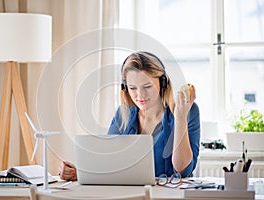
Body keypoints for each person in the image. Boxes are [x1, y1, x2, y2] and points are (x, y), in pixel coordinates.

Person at [59, 51, 200, 181]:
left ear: (162, 83)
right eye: (133, 88)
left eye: (147, 86)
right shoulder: (123, 114)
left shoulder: (188, 111)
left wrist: (180, 117)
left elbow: (183, 171)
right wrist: (80, 173)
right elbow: (108, 164)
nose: (140, 95)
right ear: (125, 88)